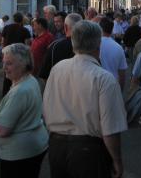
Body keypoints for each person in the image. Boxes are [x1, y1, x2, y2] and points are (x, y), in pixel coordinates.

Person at [43, 20, 127, 178]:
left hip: (57, 146)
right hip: (88, 150)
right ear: (98, 44)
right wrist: (117, 160)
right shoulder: (104, 78)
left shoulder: (57, 69)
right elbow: (110, 129)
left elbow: (46, 107)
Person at [0, 43, 48, 178]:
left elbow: (3, 130)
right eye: (4, 63)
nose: (4, 68)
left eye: (9, 64)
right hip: (33, 146)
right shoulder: (30, 80)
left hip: (20, 153)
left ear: (24, 64)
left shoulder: (20, 91)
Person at [39, 13, 82, 80]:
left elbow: (44, 75)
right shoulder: (90, 46)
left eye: (58, 21)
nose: (56, 24)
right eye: (55, 22)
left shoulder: (54, 46)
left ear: (65, 26)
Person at [1, 12, 31, 96]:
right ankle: (16, 93)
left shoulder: (6, 28)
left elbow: (3, 42)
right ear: (22, 20)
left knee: (7, 75)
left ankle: (6, 94)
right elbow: (27, 45)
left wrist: (3, 54)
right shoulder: (25, 30)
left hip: (7, 54)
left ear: (13, 19)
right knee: (18, 75)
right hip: (19, 56)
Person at [99, 17, 128, 90]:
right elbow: (122, 73)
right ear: (112, 30)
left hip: (97, 85)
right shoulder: (118, 48)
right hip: (113, 86)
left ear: (100, 28)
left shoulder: (94, 45)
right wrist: (120, 90)